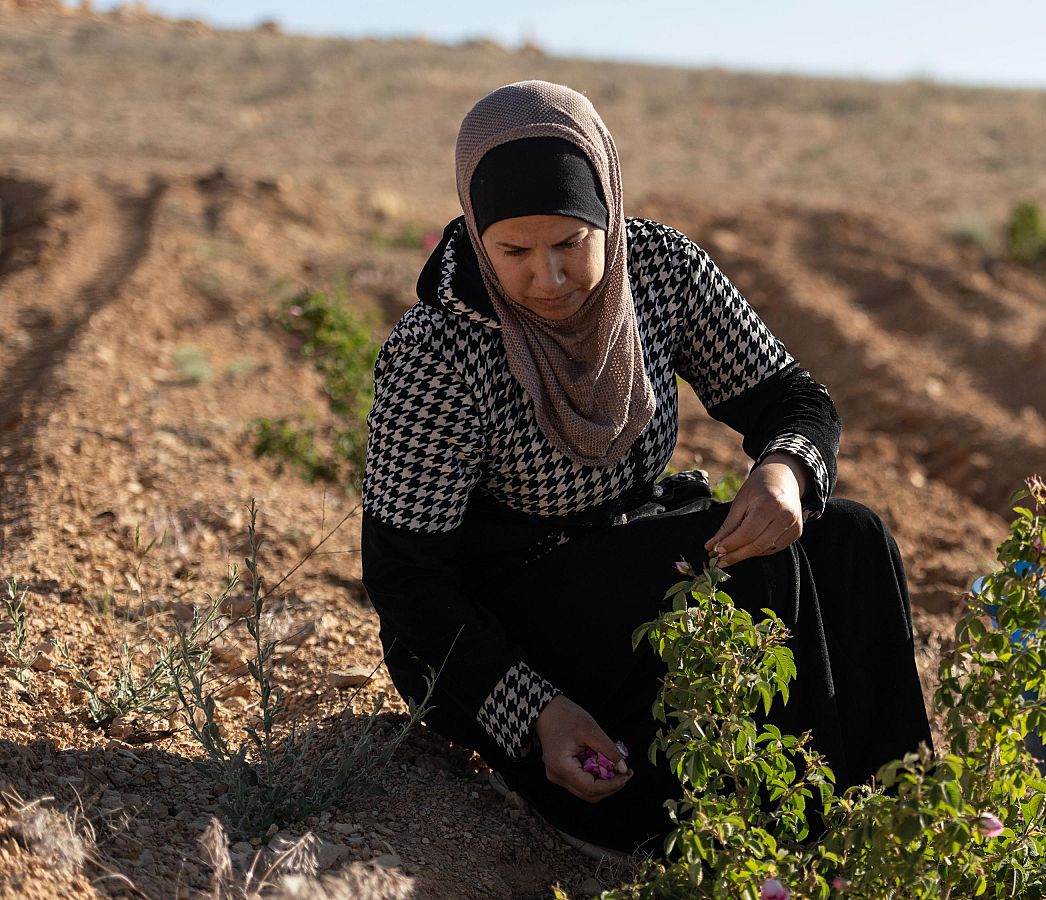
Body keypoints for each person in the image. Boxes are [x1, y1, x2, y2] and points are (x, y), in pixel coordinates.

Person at [359, 80, 932, 857]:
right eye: (514, 253)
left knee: (852, 537)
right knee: (745, 581)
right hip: (492, 624)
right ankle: (767, 845)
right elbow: (407, 582)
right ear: (475, 231)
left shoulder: (660, 271)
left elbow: (794, 400)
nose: (548, 279)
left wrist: (785, 471)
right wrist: (536, 711)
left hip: (625, 551)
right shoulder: (438, 350)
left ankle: (891, 810)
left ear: (608, 210)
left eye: (571, 243)